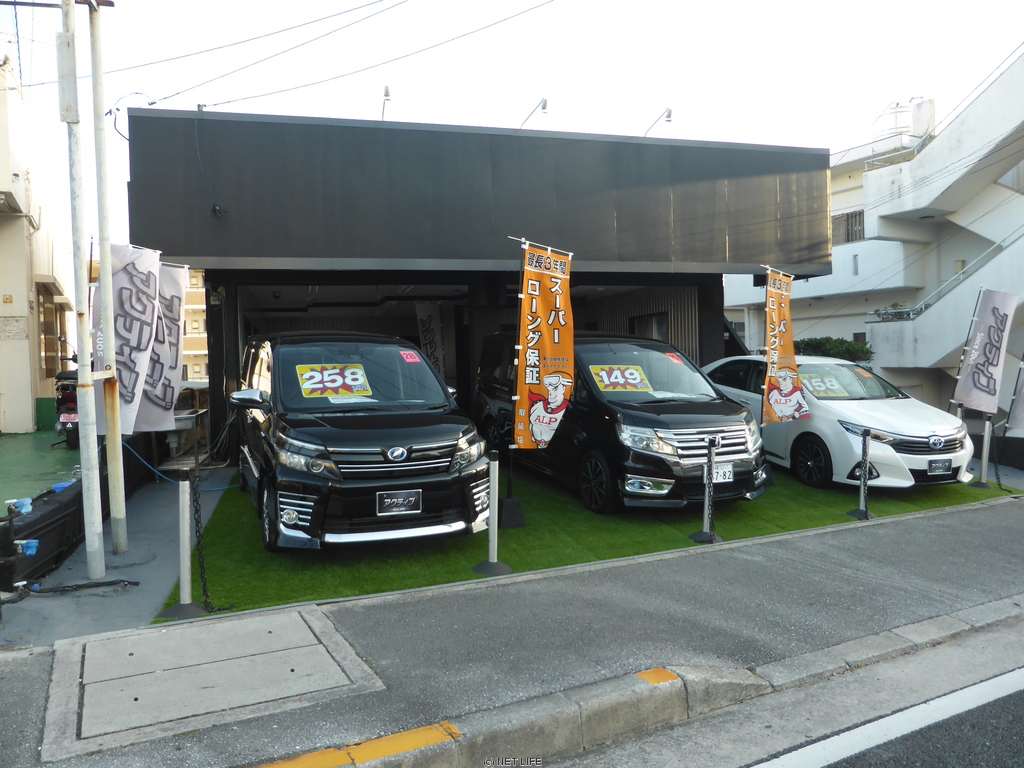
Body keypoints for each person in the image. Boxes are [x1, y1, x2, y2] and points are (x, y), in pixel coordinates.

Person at [527, 371, 573, 447]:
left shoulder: (567, 409)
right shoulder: (538, 406)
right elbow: (531, 424)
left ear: (564, 389)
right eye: (549, 389)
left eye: (555, 389)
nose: (551, 393)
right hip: (534, 447)